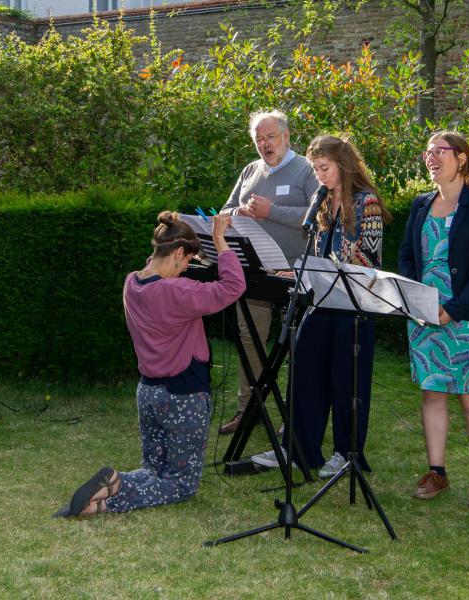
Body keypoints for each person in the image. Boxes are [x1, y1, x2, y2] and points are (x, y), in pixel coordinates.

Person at [54, 212, 245, 517]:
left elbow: (156, 263)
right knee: (182, 485)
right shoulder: (176, 291)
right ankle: (115, 483)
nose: (185, 271)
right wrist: (219, 240)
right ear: (179, 253)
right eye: (185, 263)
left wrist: (177, 233)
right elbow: (232, 287)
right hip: (184, 395)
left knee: (153, 471)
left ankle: (104, 499)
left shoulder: (132, 283)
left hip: (148, 393)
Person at [251, 135, 391, 478]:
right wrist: (299, 268)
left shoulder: (366, 201)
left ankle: (346, 452)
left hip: (353, 306)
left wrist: (326, 264)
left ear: (342, 165)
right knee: (304, 371)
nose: (320, 176)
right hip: (321, 300)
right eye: (315, 169)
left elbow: (369, 257)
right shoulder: (322, 201)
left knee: (347, 382)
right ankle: (298, 448)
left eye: (324, 168)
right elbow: (316, 250)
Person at [398, 131, 469, 508]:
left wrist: (453, 309)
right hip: (424, 316)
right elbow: (408, 254)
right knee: (432, 392)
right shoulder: (421, 205)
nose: (431, 157)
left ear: (461, 159)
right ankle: (437, 472)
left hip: (467, 315)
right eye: (428, 152)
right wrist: (413, 298)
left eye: (440, 151)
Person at [217, 110, 319, 434]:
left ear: (286, 137)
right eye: (259, 139)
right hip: (253, 271)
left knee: (296, 343)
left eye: (270, 137)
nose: (264, 144)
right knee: (250, 339)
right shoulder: (250, 171)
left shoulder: (306, 169)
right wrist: (240, 211)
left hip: (296, 272)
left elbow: (320, 214)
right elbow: (224, 211)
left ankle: (296, 417)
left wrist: (270, 211)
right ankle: (249, 410)